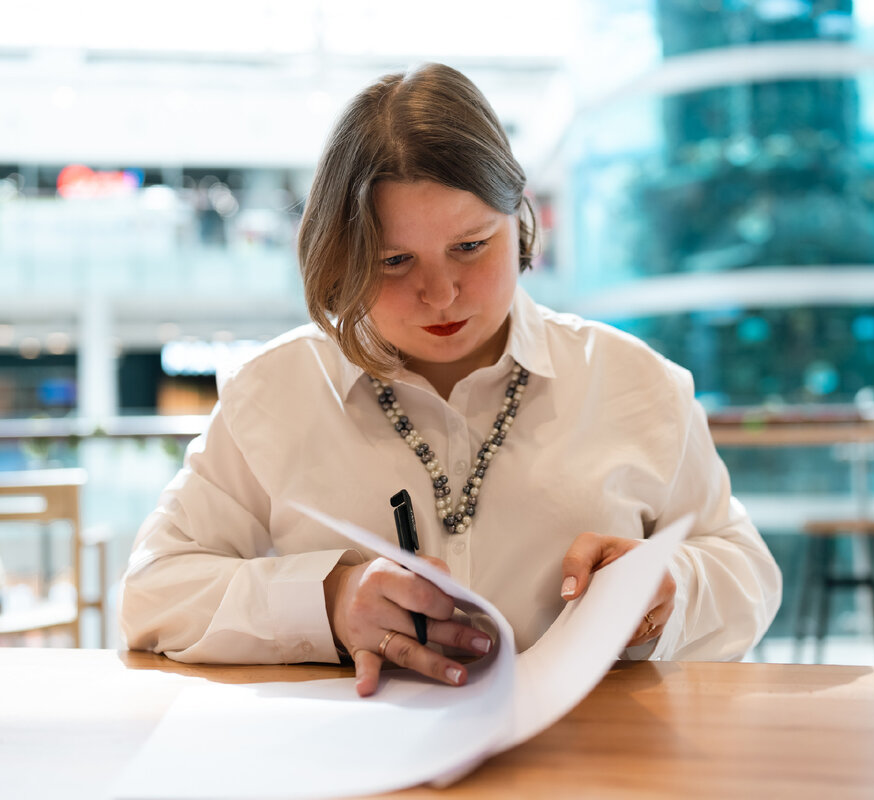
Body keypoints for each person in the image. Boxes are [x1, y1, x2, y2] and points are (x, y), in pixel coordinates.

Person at [120, 63, 781, 697]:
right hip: (361, 763)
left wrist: (671, 587)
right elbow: (153, 593)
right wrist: (329, 601)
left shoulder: (638, 382)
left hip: (593, 764)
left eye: (471, 246)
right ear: (342, 256)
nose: (440, 293)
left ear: (518, 216)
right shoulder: (274, 393)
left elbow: (746, 570)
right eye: (395, 260)